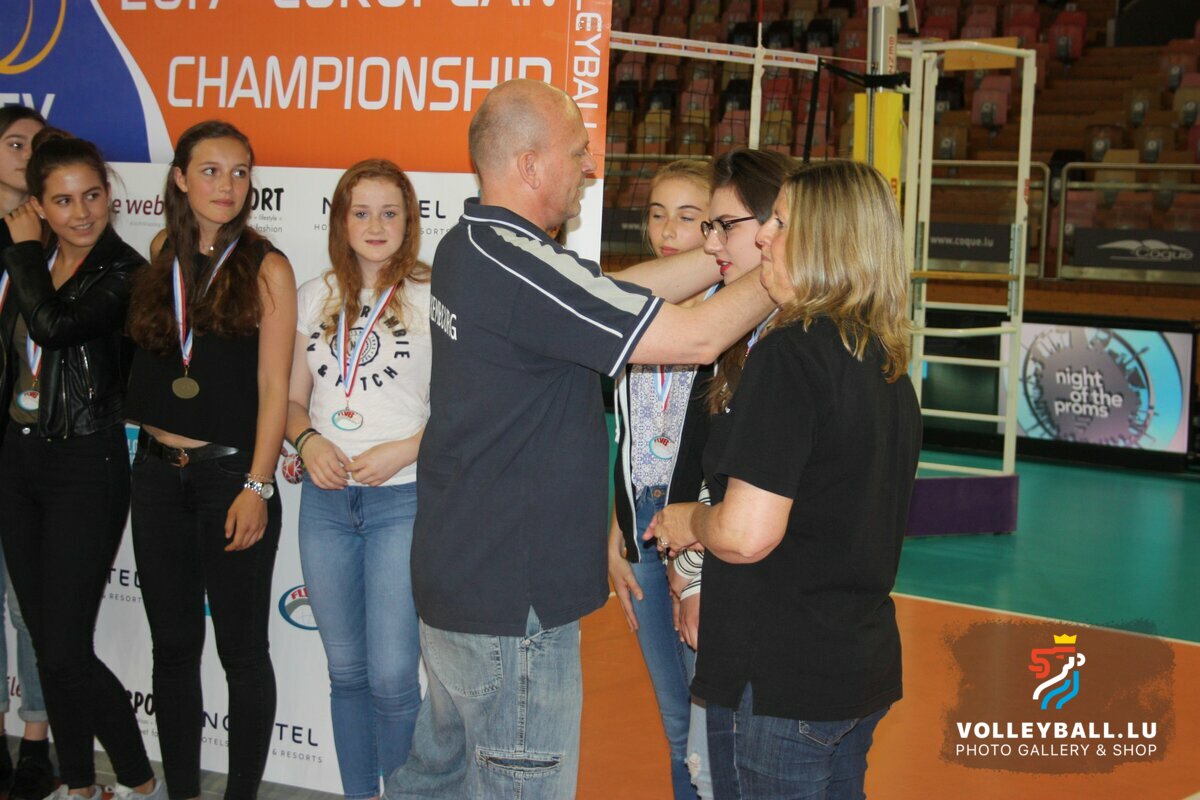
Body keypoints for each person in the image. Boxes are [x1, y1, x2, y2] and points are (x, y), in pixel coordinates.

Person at [386, 79, 775, 800]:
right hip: (511, 606)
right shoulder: (516, 266)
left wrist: (726, 253)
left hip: (466, 586)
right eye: (577, 152)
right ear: (530, 165)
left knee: (436, 778)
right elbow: (696, 338)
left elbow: (619, 290)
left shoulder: (476, 245)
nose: (590, 167)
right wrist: (788, 264)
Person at [648, 159, 923, 799]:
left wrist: (691, 520)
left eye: (782, 223)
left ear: (825, 241)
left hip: (782, 677)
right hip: (854, 664)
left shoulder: (790, 353)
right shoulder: (883, 358)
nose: (766, 237)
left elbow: (747, 534)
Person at [609, 149, 794, 800]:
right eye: (658, 214)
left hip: (707, 529)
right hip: (647, 522)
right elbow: (630, 437)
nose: (672, 231)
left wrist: (692, 571)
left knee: (712, 731)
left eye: (696, 218)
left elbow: (723, 459)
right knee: (679, 727)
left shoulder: (739, 318)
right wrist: (616, 524)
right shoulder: (648, 309)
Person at [125, 120, 296, 800]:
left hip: (230, 478)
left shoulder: (268, 266)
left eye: (240, 171)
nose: (227, 185)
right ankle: (183, 793)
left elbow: (275, 388)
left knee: (242, 653)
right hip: (155, 473)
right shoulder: (161, 249)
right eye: (211, 170)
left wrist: (258, 485)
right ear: (179, 178)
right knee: (172, 651)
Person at [0, 135, 165, 800]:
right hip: (18, 460)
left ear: (109, 196)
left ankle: (137, 780)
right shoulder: (35, 260)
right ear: (39, 205)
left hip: (85, 462)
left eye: (92, 195)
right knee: (47, 643)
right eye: (63, 201)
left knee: (66, 648)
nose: (82, 212)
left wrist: (19, 252)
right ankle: (77, 782)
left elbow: (55, 327)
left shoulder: (125, 272)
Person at [285, 159, 430, 800]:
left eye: (389, 212)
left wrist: (406, 449)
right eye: (361, 212)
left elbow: (463, 407)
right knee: (346, 673)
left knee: (395, 678)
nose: (376, 225)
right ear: (340, 221)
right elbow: (292, 402)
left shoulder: (434, 295)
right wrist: (308, 440)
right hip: (325, 503)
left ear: (409, 221)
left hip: (403, 499)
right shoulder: (312, 295)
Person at [0, 104, 56, 800]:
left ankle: (38, 739)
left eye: (39, 146)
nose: (27, 155)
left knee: (29, 605)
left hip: (34, 442)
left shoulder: (63, 236)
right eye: (15, 144)